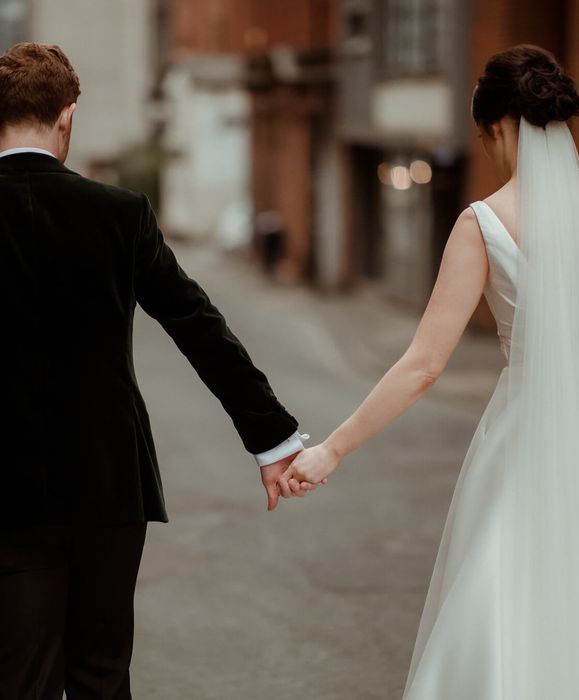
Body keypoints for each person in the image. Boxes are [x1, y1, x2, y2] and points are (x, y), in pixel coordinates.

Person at [283, 45, 579, 698]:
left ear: (495, 127)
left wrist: (334, 449)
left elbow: (425, 364)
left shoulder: (484, 222)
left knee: (515, 588)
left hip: (532, 433)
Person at [0, 43, 312, 699]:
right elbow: (198, 325)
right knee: (102, 671)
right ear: (67, 118)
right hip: (110, 482)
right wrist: (272, 438)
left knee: (19, 675)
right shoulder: (120, 214)